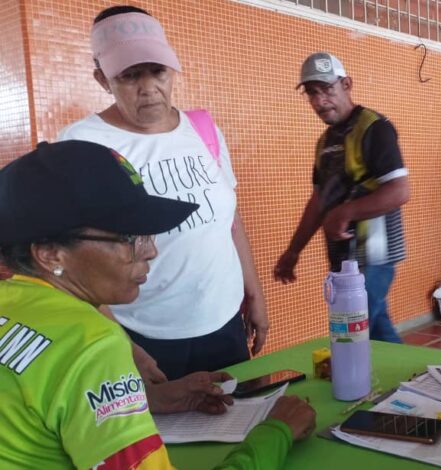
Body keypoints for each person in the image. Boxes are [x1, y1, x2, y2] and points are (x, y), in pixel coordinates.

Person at [0, 140, 316, 469]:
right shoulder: (92, 345)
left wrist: (149, 398)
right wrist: (276, 432)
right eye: (129, 238)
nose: (150, 251)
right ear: (51, 254)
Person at [58, 5, 269, 381]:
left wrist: (254, 293)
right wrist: (122, 345)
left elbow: (229, 219)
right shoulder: (83, 143)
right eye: (129, 75)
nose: (149, 88)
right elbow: (72, 261)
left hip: (224, 323)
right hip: (145, 337)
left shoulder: (202, 128)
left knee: (240, 413)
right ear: (102, 78)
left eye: (158, 71)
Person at [273, 52, 410, 343]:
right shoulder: (325, 142)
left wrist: (345, 212)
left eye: (326, 89)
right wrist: (293, 251)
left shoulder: (374, 128)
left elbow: (399, 191)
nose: (319, 101)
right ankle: (407, 369)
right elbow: (319, 201)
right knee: (377, 330)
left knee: (351, 329)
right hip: (343, 258)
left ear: (346, 84)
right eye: (312, 93)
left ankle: (351, 372)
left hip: (375, 256)